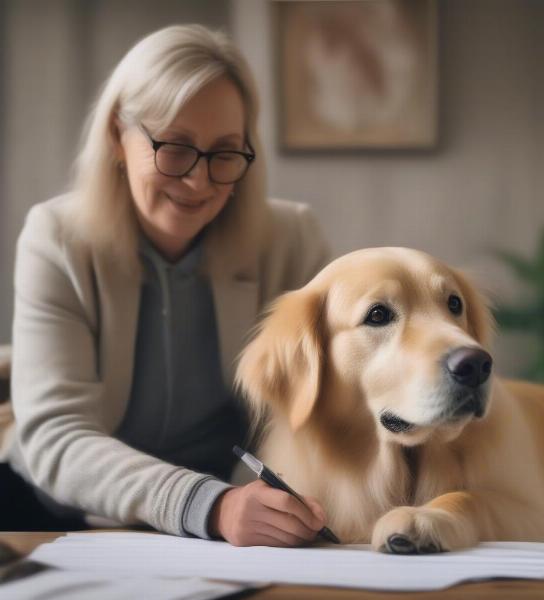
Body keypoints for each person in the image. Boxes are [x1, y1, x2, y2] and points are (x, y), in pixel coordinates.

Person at [7, 24, 330, 547]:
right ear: (117, 136)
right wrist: (208, 505)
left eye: (225, 153)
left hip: (237, 521)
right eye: (175, 148)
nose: (199, 181)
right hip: (67, 515)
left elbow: (318, 413)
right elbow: (55, 438)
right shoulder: (55, 239)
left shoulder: (292, 239)